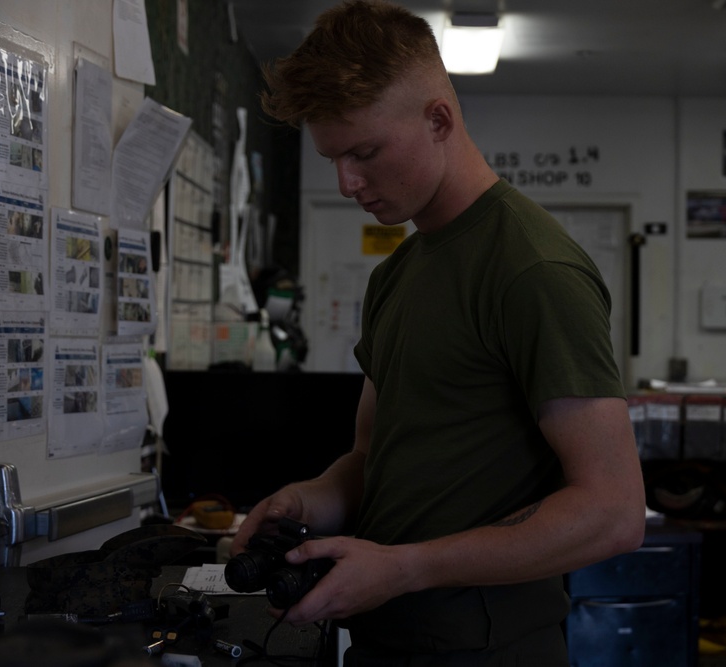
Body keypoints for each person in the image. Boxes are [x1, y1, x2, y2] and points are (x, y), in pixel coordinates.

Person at [230, 1, 646, 664]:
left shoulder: (533, 269)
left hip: (486, 650)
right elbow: (371, 461)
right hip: (381, 638)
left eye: (365, 152)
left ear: (438, 120)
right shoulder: (397, 274)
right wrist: (306, 499)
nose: (347, 182)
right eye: (334, 158)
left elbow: (613, 511)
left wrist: (405, 566)